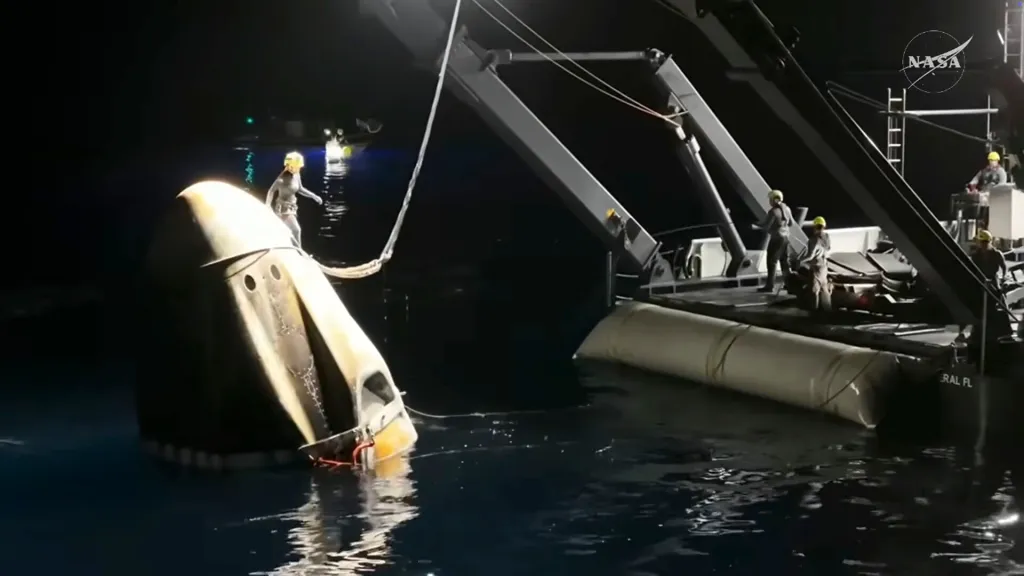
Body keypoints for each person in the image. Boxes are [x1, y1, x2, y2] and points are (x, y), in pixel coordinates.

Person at [955, 229, 1008, 343]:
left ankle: (1004, 331)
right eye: (981, 242)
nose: (983, 245)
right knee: (974, 307)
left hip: (993, 284)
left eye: (985, 242)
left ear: (989, 242)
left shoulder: (997, 254)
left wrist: (1003, 278)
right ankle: (967, 333)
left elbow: (1004, 267)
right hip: (979, 284)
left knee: (999, 305)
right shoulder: (975, 255)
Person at [266, 151, 323, 248]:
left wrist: (314, 196)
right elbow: (271, 191)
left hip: (292, 207)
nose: (300, 168)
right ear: (291, 166)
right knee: (296, 230)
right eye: (298, 166)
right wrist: (267, 205)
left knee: (286, 231)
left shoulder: (296, 175)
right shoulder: (281, 179)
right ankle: (299, 253)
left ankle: (291, 249)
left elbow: (300, 189)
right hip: (283, 208)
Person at [753, 189, 794, 292]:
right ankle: (789, 284)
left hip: (776, 239)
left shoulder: (773, 212)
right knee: (784, 262)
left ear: (775, 200)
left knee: (772, 262)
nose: (769, 202)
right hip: (786, 238)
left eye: (770, 199)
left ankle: (769, 286)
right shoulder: (787, 209)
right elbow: (791, 224)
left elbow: (766, 226)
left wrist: (755, 224)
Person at [797, 216, 831, 312]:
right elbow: (828, 249)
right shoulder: (827, 237)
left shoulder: (813, 240)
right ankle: (828, 309)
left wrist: (800, 260)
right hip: (824, 266)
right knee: (824, 288)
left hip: (816, 268)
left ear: (815, 226)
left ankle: (814, 311)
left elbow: (810, 256)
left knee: (814, 291)